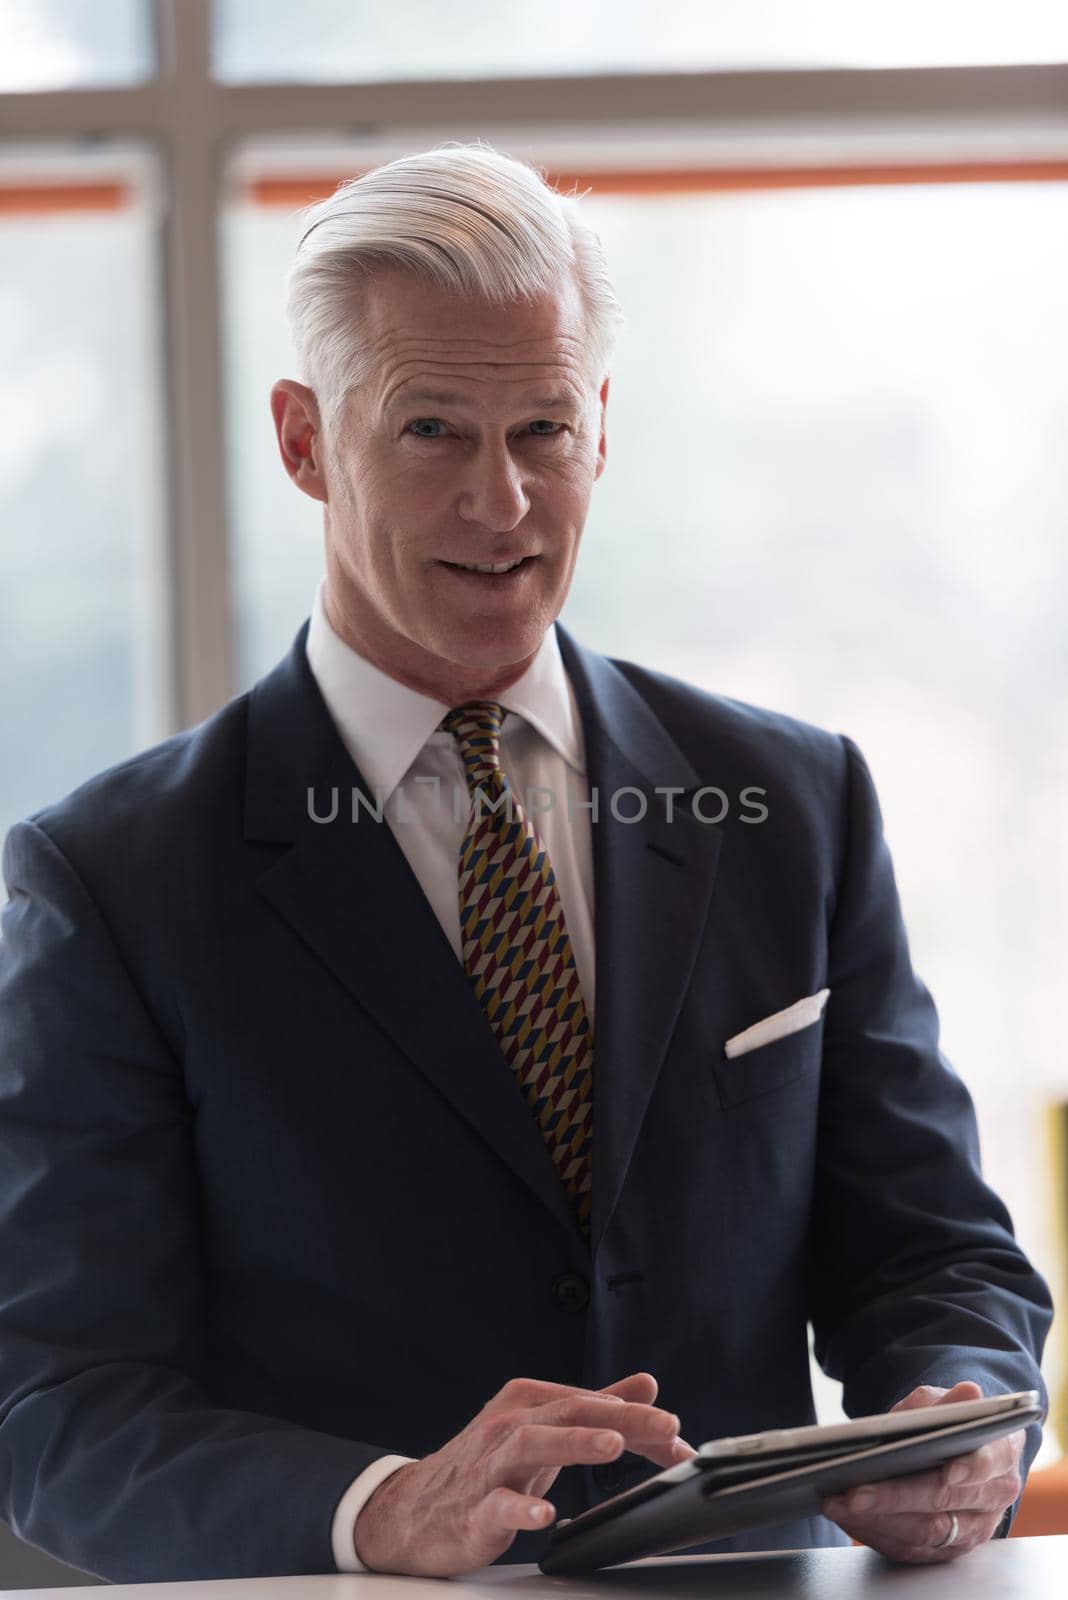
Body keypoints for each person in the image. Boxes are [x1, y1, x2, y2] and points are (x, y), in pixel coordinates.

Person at [0, 142, 1051, 1584]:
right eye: (431, 430)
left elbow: (939, 1256)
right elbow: (56, 1409)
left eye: (543, 430)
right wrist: (385, 1505)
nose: (501, 503)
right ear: (305, 442)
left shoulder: (795, 801)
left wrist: (953, 1416)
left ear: (602, 428)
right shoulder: (110, 879)